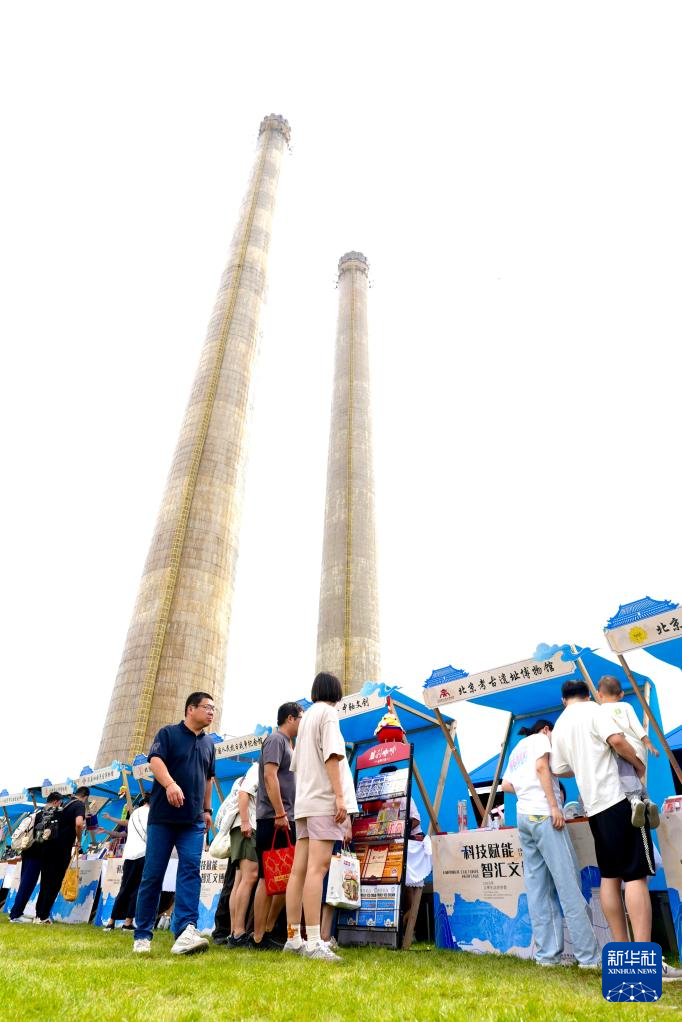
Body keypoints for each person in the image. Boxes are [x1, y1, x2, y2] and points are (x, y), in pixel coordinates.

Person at [549, 679, 682, 980]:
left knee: (610, 876)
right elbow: (618, 741)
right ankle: (646, 962)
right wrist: (638, 764)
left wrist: (585, 764)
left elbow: (559, 769)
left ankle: (622, 959)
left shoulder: (561, 725)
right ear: (589, 695)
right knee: (636, 875)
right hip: (622, 799)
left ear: (564, 700)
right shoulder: (594, 711)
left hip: (594, 807)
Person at [500, 719, 601, 968]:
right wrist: (553, 805)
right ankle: (589, 958)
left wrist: (527, 790)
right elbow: (542, 767)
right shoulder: (541, 740)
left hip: (524, 818)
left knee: (539, 890)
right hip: (544, 815)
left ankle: (547, 956)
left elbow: (506, 785)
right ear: (546, 729)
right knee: (568, 885)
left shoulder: (517, 749)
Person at [132, 691, 216, 956]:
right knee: (153, 874)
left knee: (191, 871)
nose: (211, 712)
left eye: (213, 708)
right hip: (163, 819)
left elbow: (208, 778)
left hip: (193, 821)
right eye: (207, 707)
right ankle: (142, 934)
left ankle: (185, 932)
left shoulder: (209, 744)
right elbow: (155, 761)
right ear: (190, 709)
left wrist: (207, 810)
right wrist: (169, 784)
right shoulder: (168, 734)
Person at [285, 672, 358, 962]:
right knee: (318, 868)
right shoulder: (328, 714)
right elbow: (332, 757)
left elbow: (296, 767)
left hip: (304, 803)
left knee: (299, 871)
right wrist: (339, 797)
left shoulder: (305, 721)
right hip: (322, 801)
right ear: (336, 693)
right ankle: (315, 941)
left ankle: (294, 938)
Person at [251, 702, 302, 949]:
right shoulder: (275, 740)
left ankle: (269, 930)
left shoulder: (289, 745)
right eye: (300, 718)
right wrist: (280, 813)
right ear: (290, 718)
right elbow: (269, 776)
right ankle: (258, 936)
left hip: (287, 818)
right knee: (266, 877)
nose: (302, 723)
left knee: (285, 877)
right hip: (274, 819)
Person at [597, 676, 660, 828]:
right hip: (638, 748)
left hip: (622, 748)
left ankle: (635, 800)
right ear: (621, 694)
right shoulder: (626, 706)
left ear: (599, 694)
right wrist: (649, 744)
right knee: (635, 778)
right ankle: (647, 800)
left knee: (626, 776)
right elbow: (638, 727)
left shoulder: (599, 711)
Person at [34, 787, 88, 923]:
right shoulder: (79, 805)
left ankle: (38, 914)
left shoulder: (64, 804)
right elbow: (79, 824)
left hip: (47, 847)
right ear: (86, 797)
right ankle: (44, 916)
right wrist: (79, 840)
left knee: (45, 882)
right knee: (55, 883)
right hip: (61, 850)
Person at [9, 792, 63, 923]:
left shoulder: (37, 812)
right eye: (60, 803)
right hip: (36, 855)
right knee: (27, 884)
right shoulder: (48, 815)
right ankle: (15, 915)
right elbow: (43, 838)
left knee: (25, 883)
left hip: (27, 852)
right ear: (56, 802)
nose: (60, 806)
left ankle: (16, 912)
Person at [104, 793, 150, 930]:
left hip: (129, 854)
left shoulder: (135, 813)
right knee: (136, 889)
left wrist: (110, 819)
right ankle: (128, 922)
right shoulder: (151, 814)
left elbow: (126, 827)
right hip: (143, 853)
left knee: (124, 888)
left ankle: (111, 921)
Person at [225, 762, 259, 946]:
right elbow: (243, 793)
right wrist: (246, 822)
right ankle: (238, 931)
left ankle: (234, 931)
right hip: (247, 826)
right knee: (249, 877)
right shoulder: (258, 768)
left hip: (242, 826)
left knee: (239, 880)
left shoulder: (254, 768)